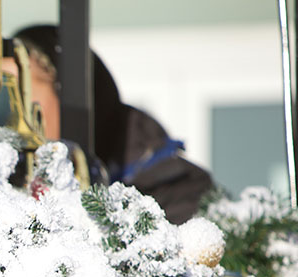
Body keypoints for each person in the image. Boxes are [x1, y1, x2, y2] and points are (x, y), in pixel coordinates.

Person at [12, 25, 214, 224]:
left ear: (72, 98)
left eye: (22, 94)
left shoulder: (178, 193)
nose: (12, 115)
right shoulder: (6, 187)